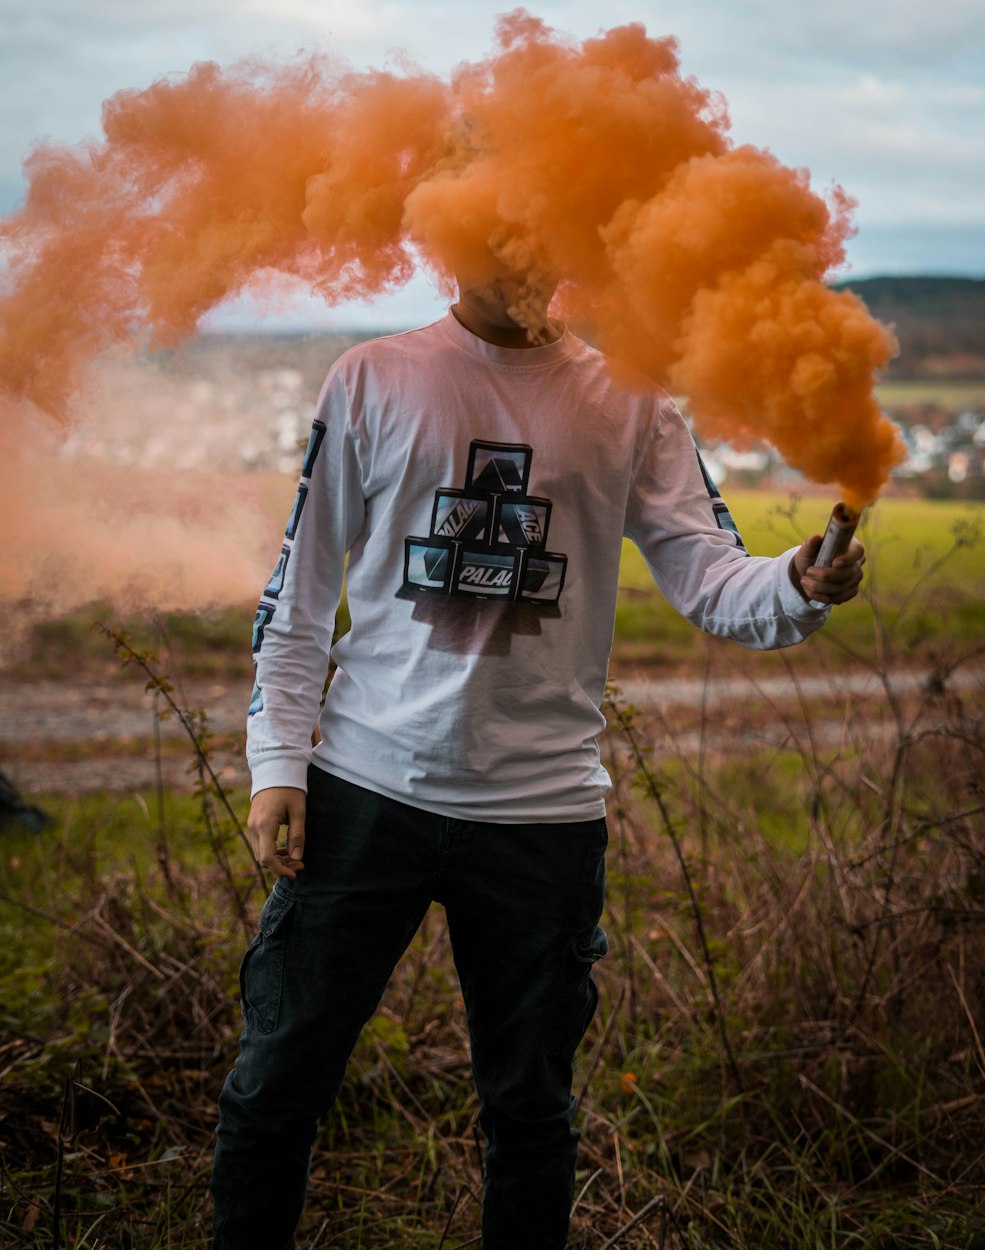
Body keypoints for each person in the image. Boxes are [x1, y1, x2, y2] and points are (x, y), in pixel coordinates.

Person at [209, 271, 866, 1250]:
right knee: (277, 1083)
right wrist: (277, 765)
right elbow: (299, 592)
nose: (512, 252)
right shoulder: (372, 377)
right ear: (447, 232)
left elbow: (713, 574)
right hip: (363, 789)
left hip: (541, 816)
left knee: (529, 1111)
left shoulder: (630, 398)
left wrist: (800, 580)